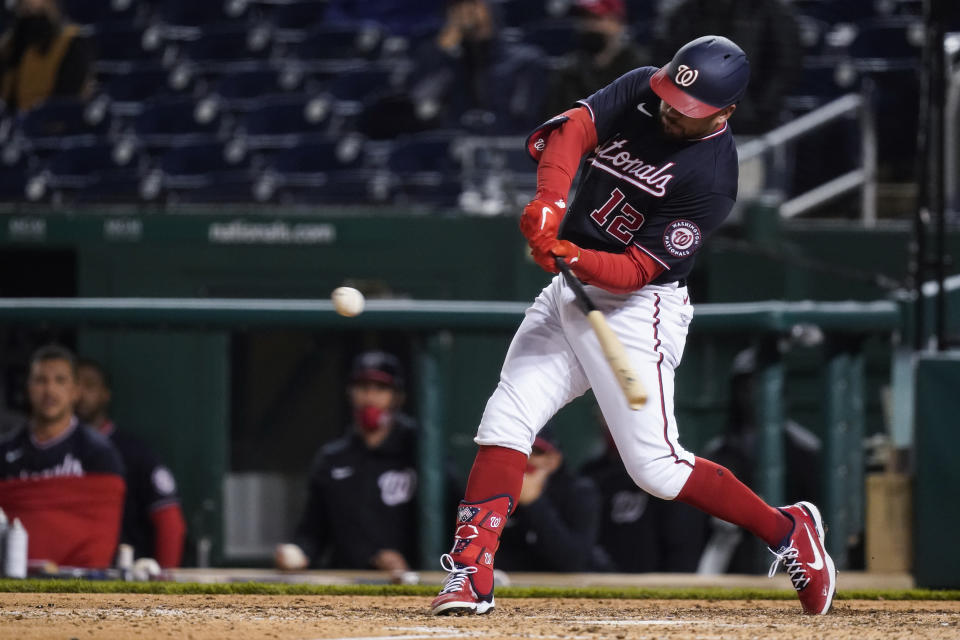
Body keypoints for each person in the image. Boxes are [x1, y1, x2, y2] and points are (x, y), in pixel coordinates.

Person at [429, 35, 836, 617]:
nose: (672, 110)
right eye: (671, 97)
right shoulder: (645, 85)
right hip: (572, 287)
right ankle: (471, 571)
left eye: (690, 111)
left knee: (657, 469)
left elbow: (636, 270)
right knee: (505, 419)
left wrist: (572, 255)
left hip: (637, 306)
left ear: (726, 113)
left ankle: (787, 529)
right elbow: (572, 129)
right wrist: (549, 201)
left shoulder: (713, 177)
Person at [275, 350, 419, 573]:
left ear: (397, 397)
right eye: (363, 387)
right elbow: (313, 530)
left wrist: (411, 562)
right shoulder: (333, 457)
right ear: (350, 393)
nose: (370, 397)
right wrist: (299, 553)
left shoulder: (420, 452)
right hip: (349, 585)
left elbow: (453, 520)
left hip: (414, 582)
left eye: (380, 389)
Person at [697, 346, 822, 574]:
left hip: (792, 564)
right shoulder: (720, 451)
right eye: (747, 387)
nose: (753, 394)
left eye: (760, 385)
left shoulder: (804, 450)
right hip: (732, 563)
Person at [0, 344, 125, 568]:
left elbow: (101, 536)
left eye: (60, 380)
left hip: (78, 586)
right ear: (28, 387)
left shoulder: (99, 453)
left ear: (75, 391)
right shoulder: (5, 450)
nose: (49, 390)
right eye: (40, 380)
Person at [74, 358, 187, 569]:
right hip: (68, 571)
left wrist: (165, 581)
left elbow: (170, 522)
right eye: (76, 385)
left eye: (89, 386)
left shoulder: (133, 451)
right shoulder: (50, 450)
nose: (81, 394)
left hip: (125, 572)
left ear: (105, 394)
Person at [652, 0, 801, 135]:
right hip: (691, 122)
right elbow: (666, 60)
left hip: (750, 125)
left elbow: (785, 63)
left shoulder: (768, 9)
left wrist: (761, 111)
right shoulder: (686, 12)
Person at [581, 418, 709, 573]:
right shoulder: (593, 473)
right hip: (599, 583)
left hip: (654, 586)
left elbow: (683, 552)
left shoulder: (673, 473)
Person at [406, 0, 548, 133]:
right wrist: (441, 50)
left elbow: (525, 118)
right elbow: (422, 102)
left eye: (473, 5)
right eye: (457, 9)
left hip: (511, 146)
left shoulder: (525, 60)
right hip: (458, 146)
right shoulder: (450, 64)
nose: (466, 14)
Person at [496, 429, 611, 573]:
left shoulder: (579, 492)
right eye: (519, 451)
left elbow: (573, 561)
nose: (527, 459)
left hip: (577, 586)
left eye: (535, 452)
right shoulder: (499, 490)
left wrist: (534, 503)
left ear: (554, 460)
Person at [542, 0, 649, 119]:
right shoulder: (568, 70)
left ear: (618, 23)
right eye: (584, 19)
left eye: (596, 18)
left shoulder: (640, 68)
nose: (589, 26)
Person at [0, 0, 95, 113]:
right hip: (11, 123)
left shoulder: (72, 42)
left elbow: (66, 101)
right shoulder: (11, 43)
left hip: (48, 122)